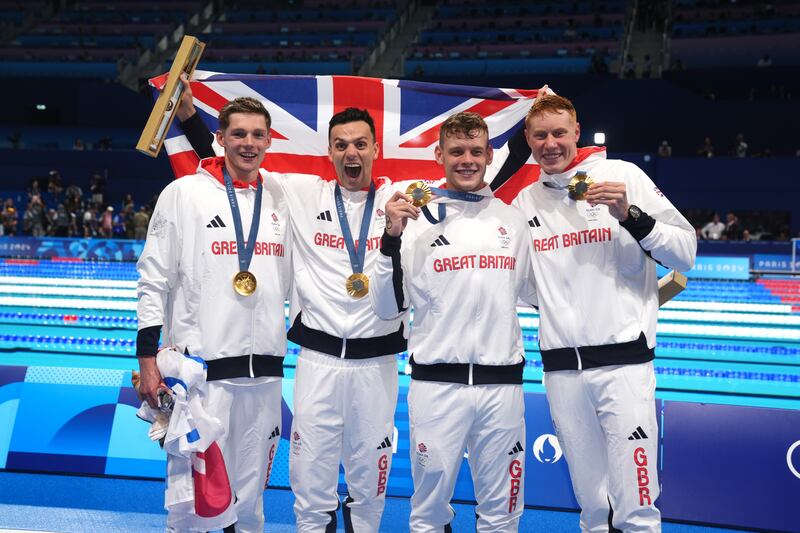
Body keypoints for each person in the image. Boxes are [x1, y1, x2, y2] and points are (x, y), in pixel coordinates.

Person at [176, 78, 404, 532]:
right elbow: (238, 165)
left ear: (376, 149)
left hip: (377, 366)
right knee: (310, 484)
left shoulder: (401, 198)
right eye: (341, 145)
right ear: (330, 152)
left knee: (369, 485)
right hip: (317, 363)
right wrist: (187, 117)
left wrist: (522, 139)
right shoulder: (301, 193)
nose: (351, 153)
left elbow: (473, 171)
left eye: (360, 144)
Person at [514, 93, 696, 532]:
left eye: (560, 132)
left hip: (623, 367)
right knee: (593, 507)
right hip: (562, 373)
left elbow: (686, 253)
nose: (551, 143)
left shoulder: (622, 176)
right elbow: (524, 287)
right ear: (528, 139)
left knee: (636, 507)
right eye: (541, 135)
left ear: (577, 132)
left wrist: (631, 215)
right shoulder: (525, 203)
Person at [371, 112, 537, 532]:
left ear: (489, 156)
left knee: (503, 511)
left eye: (476, 152)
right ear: (439, 154)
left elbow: (539, 293)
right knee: (428, 512)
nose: (467, 160)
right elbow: (388, 306)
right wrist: (390, 237)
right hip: (436, 387)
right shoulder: (414, 221)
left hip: (502, 387)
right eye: (457, 151)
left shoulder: (513, 221)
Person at [136, 96, 292, 533]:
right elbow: (153, 280)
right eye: (237, 134)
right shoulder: (183, 194)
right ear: (219, 140)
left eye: (257, 134)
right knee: (194, 506)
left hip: (264, 380)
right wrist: (147, 362)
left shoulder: (281, 196)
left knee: (251, 506)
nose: (248, 143)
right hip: (204, 381)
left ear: (268, 140)